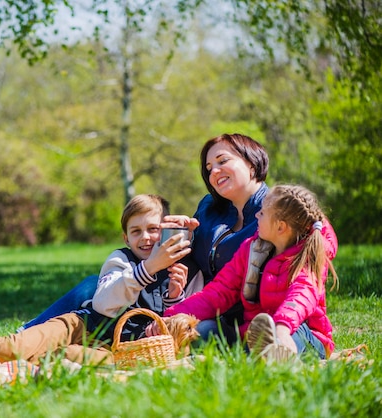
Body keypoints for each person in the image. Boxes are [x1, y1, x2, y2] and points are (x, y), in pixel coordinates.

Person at [19, 133, 270, 339]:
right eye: (208, 167)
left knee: (192, 334)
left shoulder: (273, 211)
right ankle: (27, 335)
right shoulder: (209, 207)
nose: (214, 171)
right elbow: (199, 253)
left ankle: (37, 338)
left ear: (251, 161)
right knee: (93, 286)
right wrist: (185, 232)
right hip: (182, 298)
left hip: (225, 313)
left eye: (222, 161)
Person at [0, 194, 192, 365]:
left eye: (154, 229)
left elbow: (176, 330)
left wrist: (174, 296)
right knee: (12, 347)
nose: (145, 237)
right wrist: (148, 268)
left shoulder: (180, 269)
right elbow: (103, 304)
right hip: (83, 326)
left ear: (166, 229)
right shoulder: (120, 260)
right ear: (126, 238)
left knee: (58, 358)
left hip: (113, 350)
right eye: (136, 231)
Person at [147, 184, 339, 361]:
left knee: (288, 337)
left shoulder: (309, 255)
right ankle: (260, 353)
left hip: (300, 333)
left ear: (280, 227)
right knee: (203, 331)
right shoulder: (251, 249)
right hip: (253, 333)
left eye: (262, 213)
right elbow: (218, 293)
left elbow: (300, 298)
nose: (256, 216)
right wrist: (171, 316)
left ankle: (277, 353)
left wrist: (281, 329)